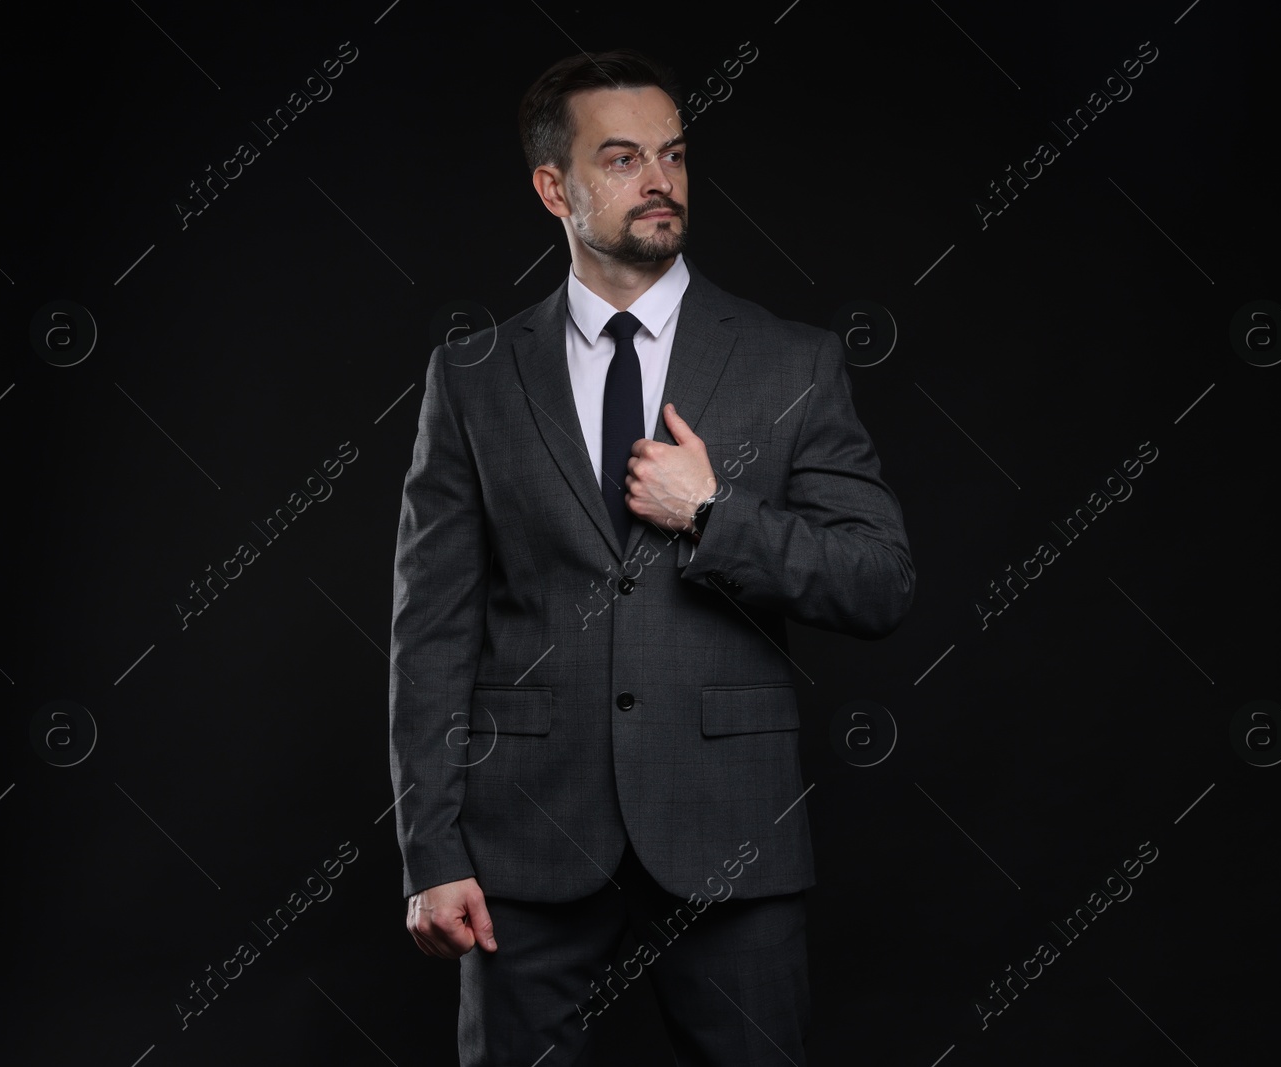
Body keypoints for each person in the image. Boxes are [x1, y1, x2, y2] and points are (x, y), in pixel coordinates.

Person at [388, 47, 915, 1066]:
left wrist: (716, 512)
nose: (661, 180)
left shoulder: (789, 359)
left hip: (732, 829)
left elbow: (879, 579)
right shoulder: (473, 377)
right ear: (555, 187)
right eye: (623, 159)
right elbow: (432, 632)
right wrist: (432, 850)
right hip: (524, 840)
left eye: (672, 155)